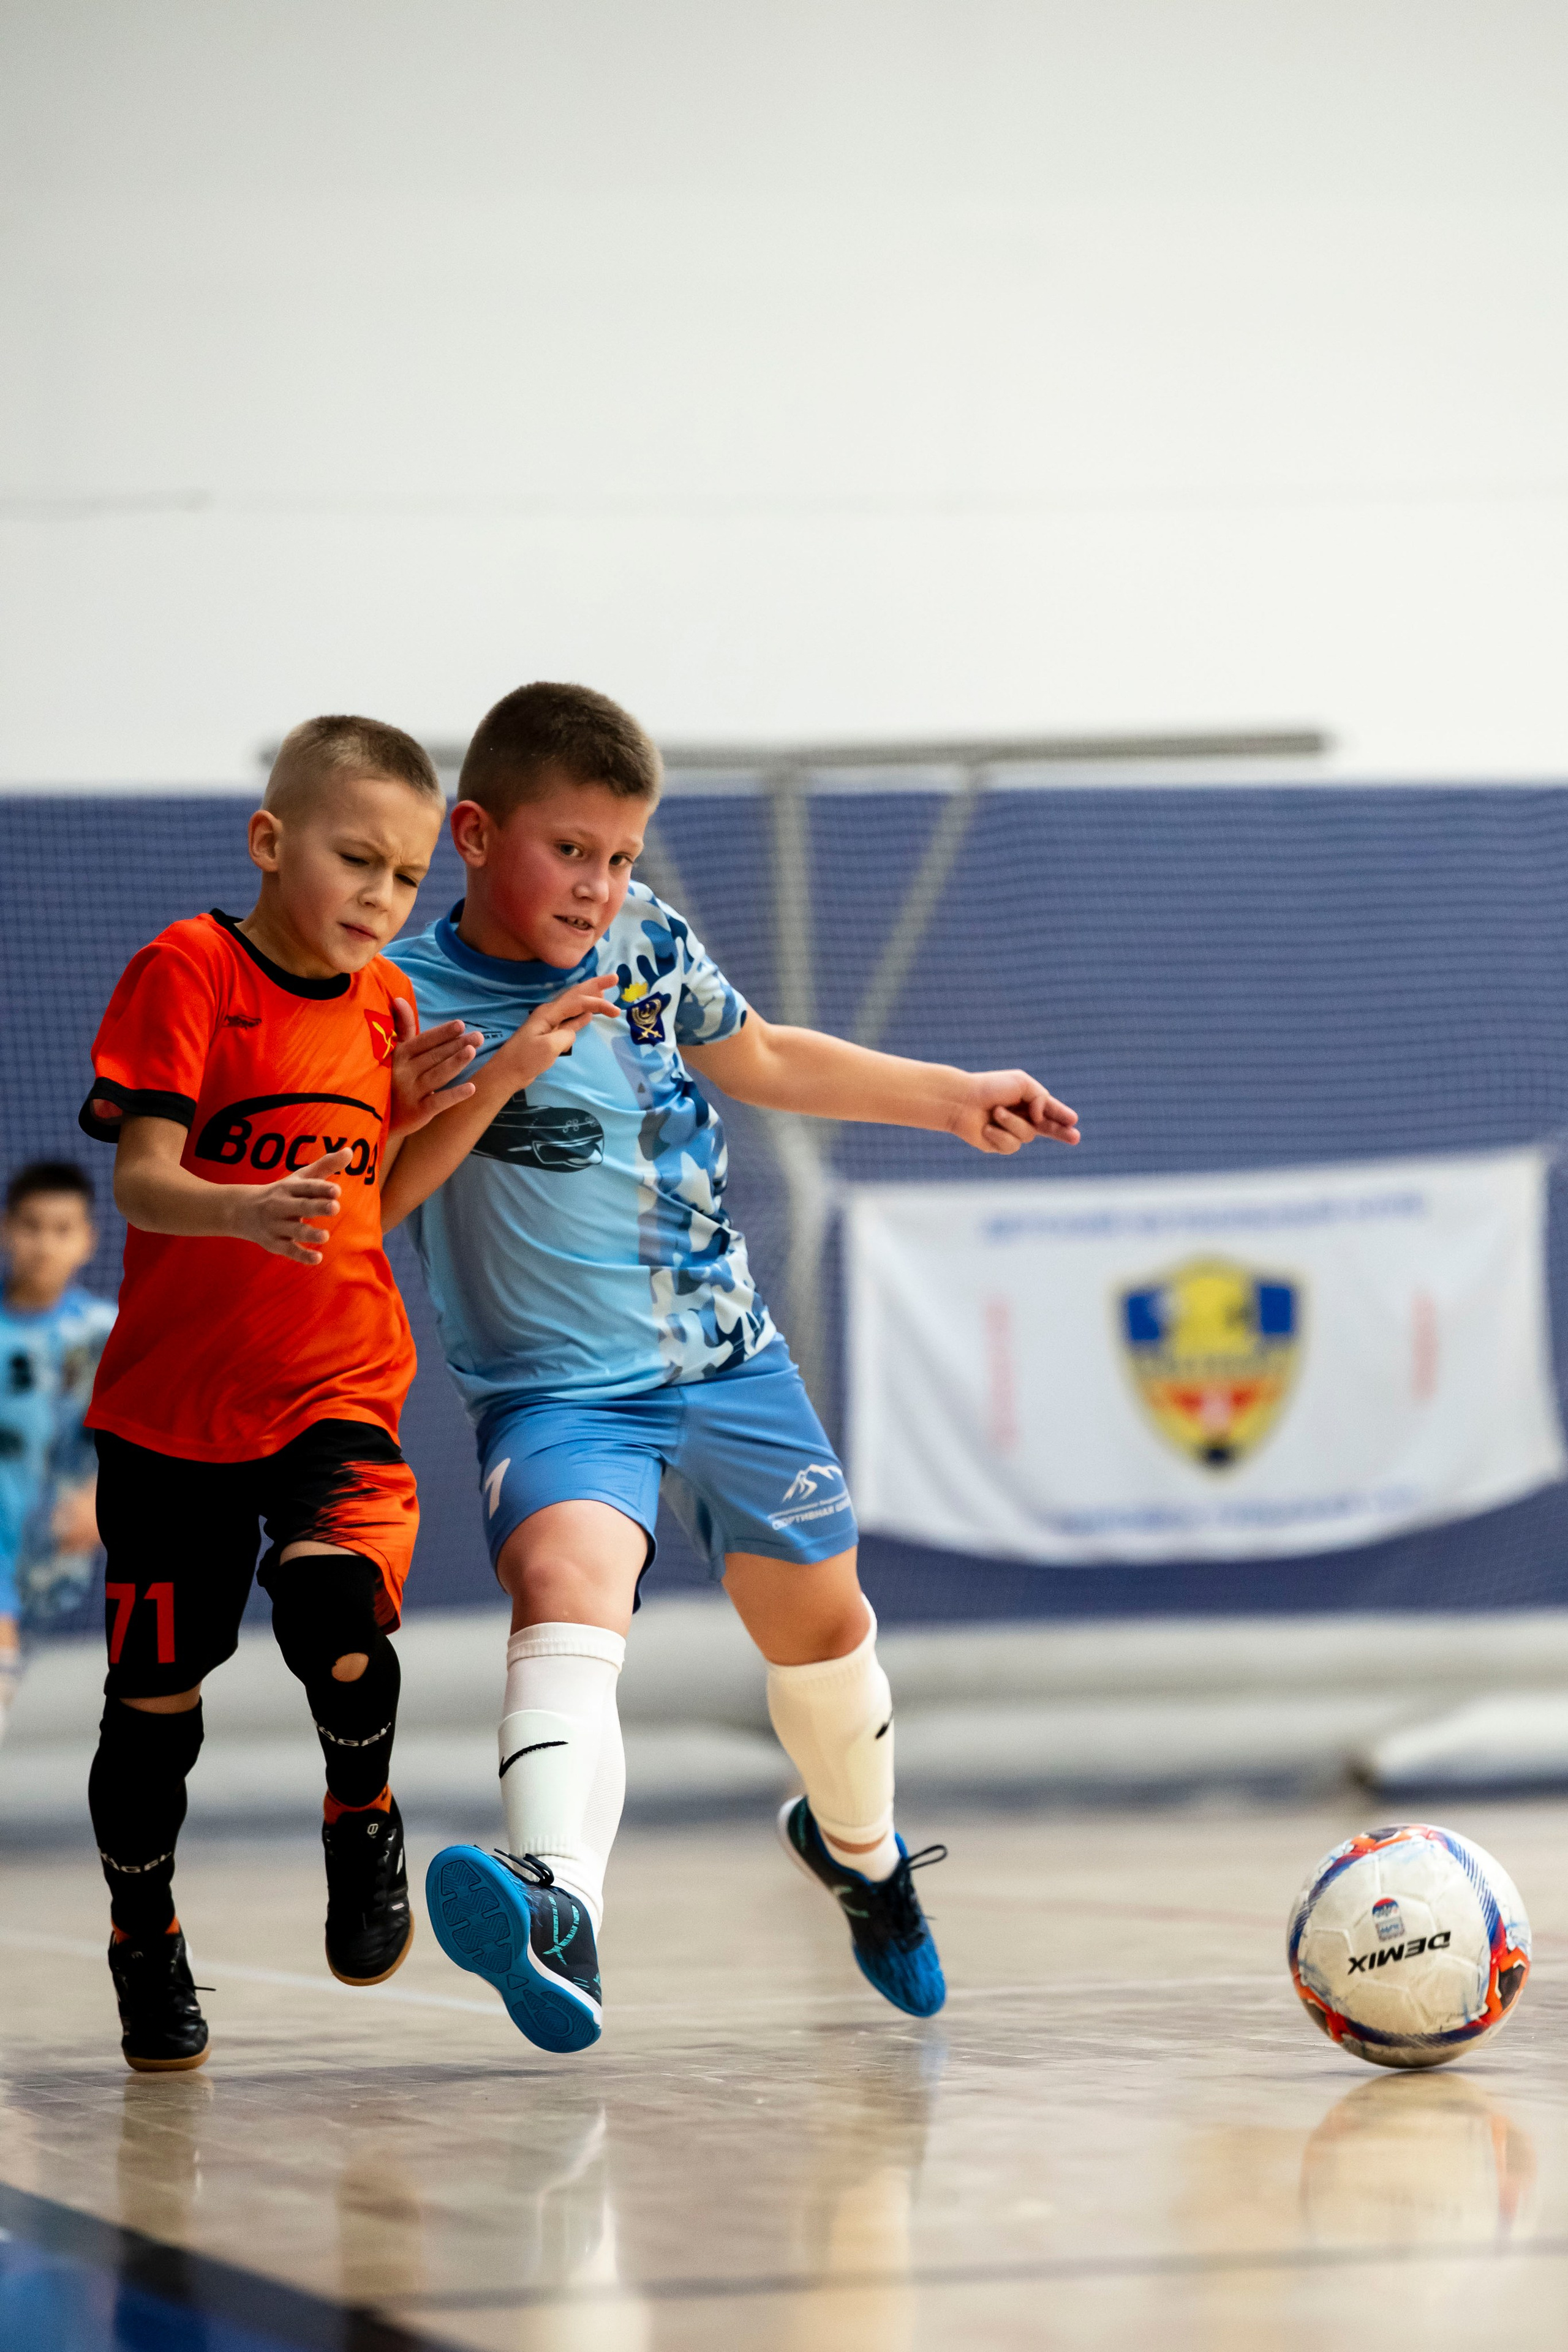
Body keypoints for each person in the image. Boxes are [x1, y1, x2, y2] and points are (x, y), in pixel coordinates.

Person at [382, 680, 1081, 2054]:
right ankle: (554, 1900)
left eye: (620, 855)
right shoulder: (400, 997)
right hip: (560, 1393)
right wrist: (479, 1085)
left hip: (727, 1363)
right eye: (567, 849)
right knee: (562, 1589)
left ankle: (862, 1857)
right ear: (472, 832)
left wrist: (950, 1097)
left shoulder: (645, 945)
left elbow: (755, 1053)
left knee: (821, 1637)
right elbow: (377, 1200)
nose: (598, 885)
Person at [75, 713, 609, 2076]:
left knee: (334, 1605)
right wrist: (238, 1206)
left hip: (336, 1383)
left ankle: (361, 1812)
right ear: (270, 842)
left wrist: (473, 1087)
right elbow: (141, 1180)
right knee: (152, 1707)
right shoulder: (187, 970)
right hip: (173, 1415)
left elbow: (375, 1197)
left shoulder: (385, 1004)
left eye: (404, 878)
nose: (381, 898)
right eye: (353, 860)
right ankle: (146, 1937)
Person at [0, 1161, 116, 1734]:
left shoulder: (104, 1334)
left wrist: (104, 1502)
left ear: (88, 1240)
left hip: (48, 1546)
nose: (44, 1243)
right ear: (6, 1230)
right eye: (31, 1225)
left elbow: (138, 1442)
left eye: (62, 1228)